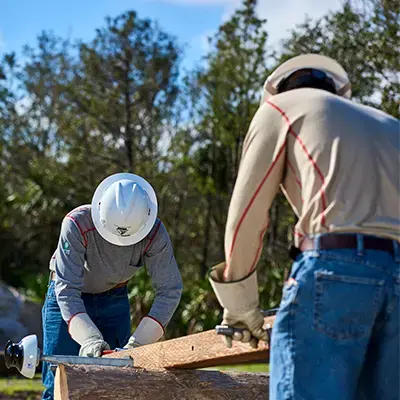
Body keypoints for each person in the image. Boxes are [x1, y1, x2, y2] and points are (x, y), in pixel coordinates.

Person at [208, 54, 400, 400]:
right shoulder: (389, 124)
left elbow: (246, 215)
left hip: (335, 271)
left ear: (278, 88)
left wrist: (240, 308)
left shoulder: (281, 108)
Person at [41, 172, 183, 400]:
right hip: (65, 300)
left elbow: (170, 290)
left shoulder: (155, 233)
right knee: (57, 383)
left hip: (114, 298)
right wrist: (88, 337)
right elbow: (67, 289)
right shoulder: (76, 223)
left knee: (119, 382)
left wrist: (138, 344)